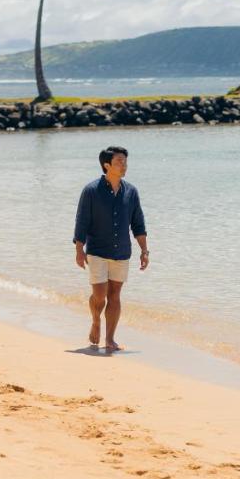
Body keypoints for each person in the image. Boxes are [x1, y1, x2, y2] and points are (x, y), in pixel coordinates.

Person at [72, 145, 149, 352]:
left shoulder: (131, 192)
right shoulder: (91, 191)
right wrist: (79, 249)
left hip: (122, 252)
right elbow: (82, 221)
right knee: (99, 295)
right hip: (97, 250)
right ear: (107, 165)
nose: (124, 165)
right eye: (119, 162)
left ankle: (110, 339)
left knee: (115, 295)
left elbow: (138, 223)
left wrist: (144, 250)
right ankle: (96, 320)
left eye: (125, 161)